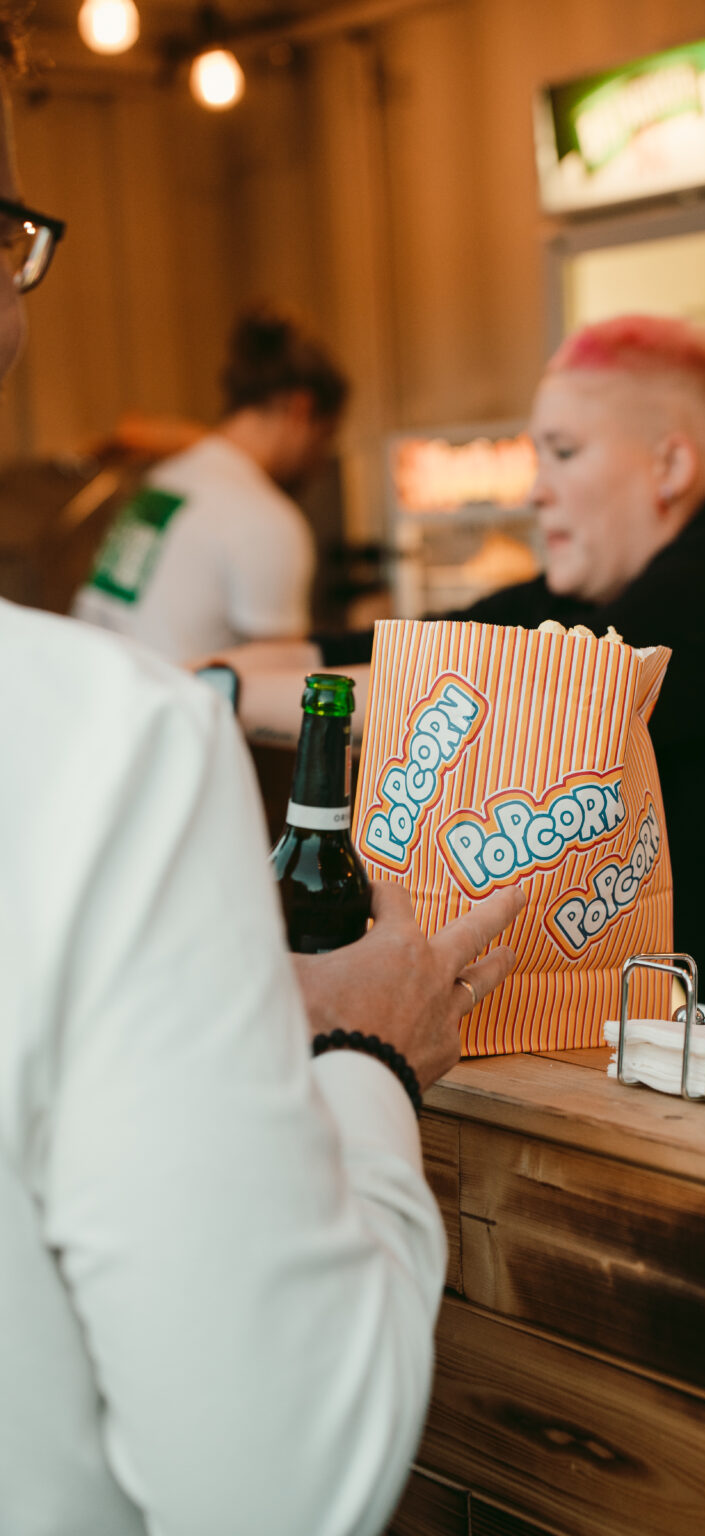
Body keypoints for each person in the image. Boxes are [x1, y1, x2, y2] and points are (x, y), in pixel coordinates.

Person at [0, 21, 524, 1534]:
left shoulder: (165, 481)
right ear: (305, 419)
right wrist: (368, 1055)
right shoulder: (122, 740)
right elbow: (282, 1488)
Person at [222, 315, 705, 1013]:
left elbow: (463, 695)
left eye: (564, 453)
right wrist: (198, 671)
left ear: (670, 466)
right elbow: (381, 650)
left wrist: (220, 694)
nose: (534, 491)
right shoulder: (595, 588)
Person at [72, 303, 344, 664]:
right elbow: (285, 677)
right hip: (165, 698)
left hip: (92, 681)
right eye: (325, 437)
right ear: (300, 410)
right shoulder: (265, 519)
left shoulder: (166, 480)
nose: (319, 462)